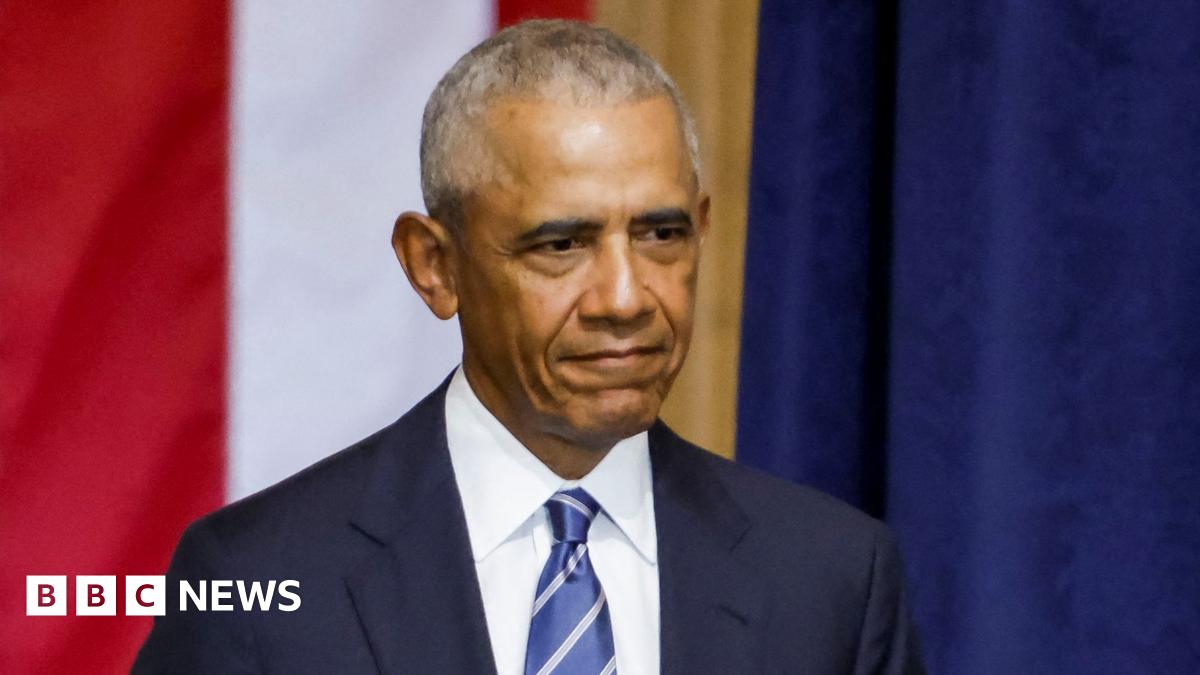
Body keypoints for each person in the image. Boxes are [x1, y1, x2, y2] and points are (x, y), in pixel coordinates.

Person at [133, 19, 923, 675]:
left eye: (661, 234)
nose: (625, 297)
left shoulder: (835, 580)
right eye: (561, 245)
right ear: (435, 266)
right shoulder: (252, 577)